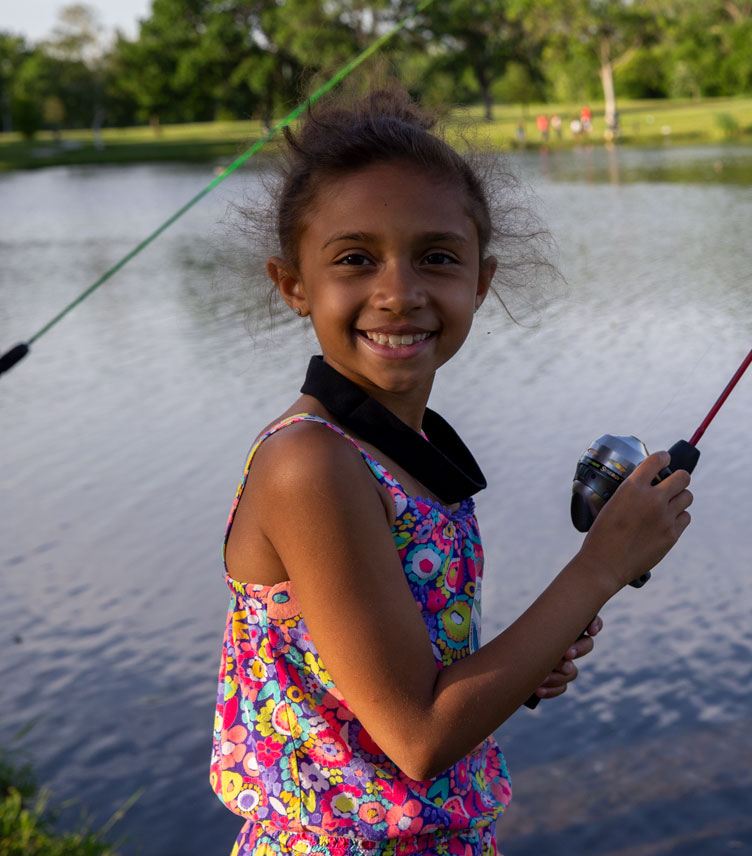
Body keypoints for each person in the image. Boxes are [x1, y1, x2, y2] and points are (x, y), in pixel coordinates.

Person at [212, 84, 694, 855]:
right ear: (292, 285)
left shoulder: (401, 450)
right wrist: (599, 568)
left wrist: (519, 662)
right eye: (355, 259)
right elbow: (418, 737)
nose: (398, 292)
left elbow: (409, 679)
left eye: (436, 257)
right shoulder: (310, 463)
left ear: (481, 281)